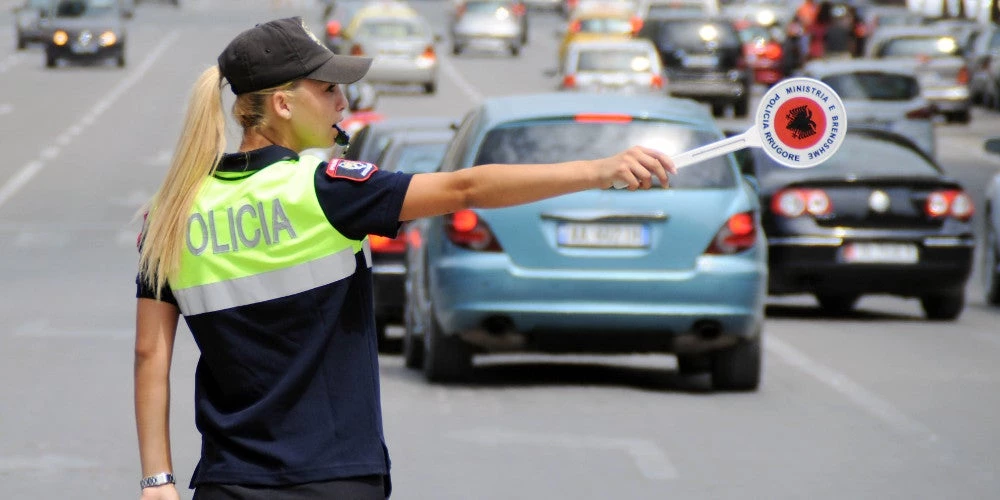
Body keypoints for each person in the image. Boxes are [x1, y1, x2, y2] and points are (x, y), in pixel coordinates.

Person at [133, 16, 675, 500]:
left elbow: (149, 354)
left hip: (228, 482)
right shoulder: (321, 190)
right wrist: (598, 170)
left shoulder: (172, 211)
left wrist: (157, 480)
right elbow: (465, 189)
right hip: (331, 477)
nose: (343, 103)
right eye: (329, 89)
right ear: (283, 103)